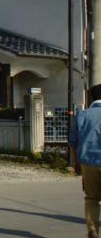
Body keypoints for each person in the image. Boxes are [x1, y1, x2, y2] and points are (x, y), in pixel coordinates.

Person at [69, 87, 101, 238]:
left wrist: (75, 163)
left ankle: (93, 230)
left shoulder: (82, 115)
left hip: (88, 162)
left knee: (92, 198)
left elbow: (73, 142)